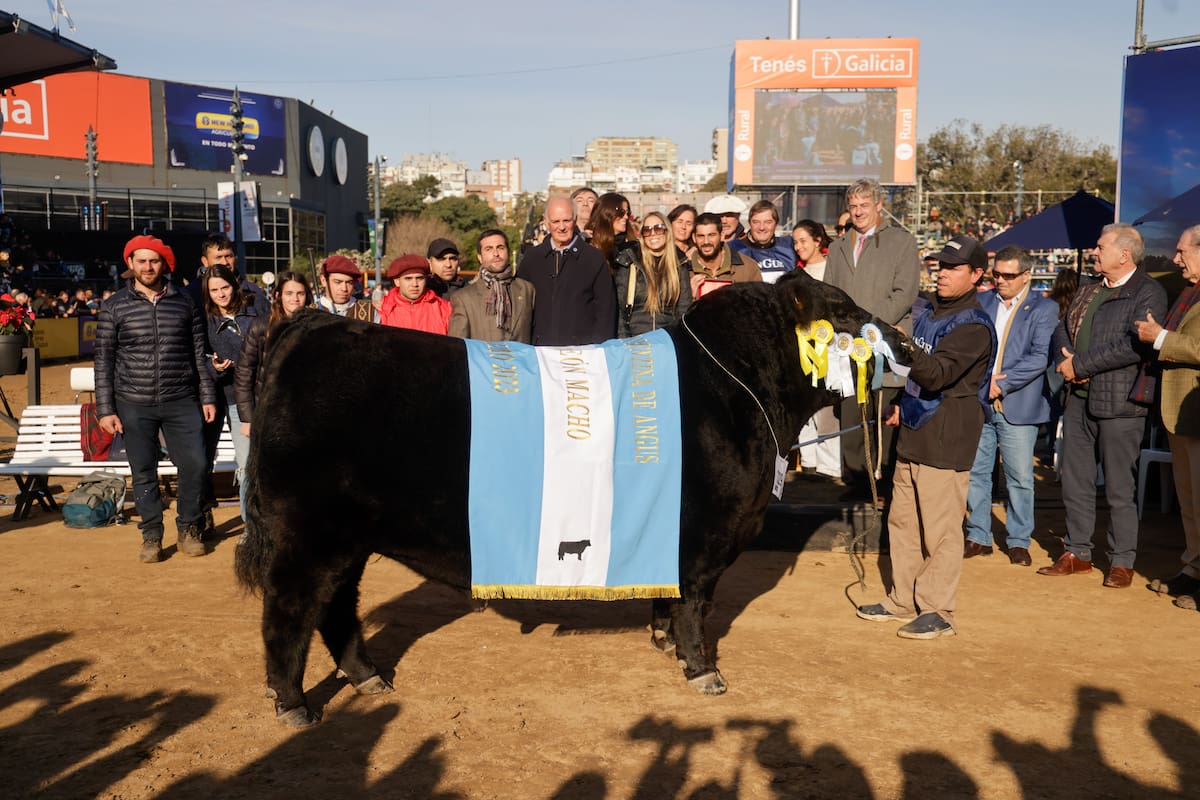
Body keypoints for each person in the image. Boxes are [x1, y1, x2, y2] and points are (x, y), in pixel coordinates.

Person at [855, 235, 996, 639]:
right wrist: (902, 403)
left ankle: (938, 610)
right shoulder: (931, 313)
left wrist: (897, 342)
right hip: (916, 427)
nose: (942, 274)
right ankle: (903, 598)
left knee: (941, 529)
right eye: (940, 266)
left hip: (948, 433)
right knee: (903, 522)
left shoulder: (973, 325)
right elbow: (919, 376)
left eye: (953, 268)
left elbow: (935, 373)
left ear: (976, 275)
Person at [1040, 224, 1167, 588]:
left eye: (1100, 247)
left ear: (1124, 254)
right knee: (1075, 484)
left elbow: (1135, 346)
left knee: (1118, 488)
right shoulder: (1087, 288)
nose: (1094, 252)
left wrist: (1079, 365)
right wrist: (1067, 359)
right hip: (1078, 402)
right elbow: (1062, 327)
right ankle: (1078, 553)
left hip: (1120, 404)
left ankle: (1121, 560)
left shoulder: (1148, 292)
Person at [94, 235, 217, 563]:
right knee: (143, 470)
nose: (148, 267)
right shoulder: (114, 306)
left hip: (182, 398)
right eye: (142, 260)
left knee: (196, 465)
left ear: (164, 264)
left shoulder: (184, 302)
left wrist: (207, 396)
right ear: (130, 264)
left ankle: (190, 526)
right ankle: (151, 535)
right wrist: (105, 409)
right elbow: (103, 360)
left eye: (154, 261)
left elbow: (198, 353)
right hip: (133, 401)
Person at [824, 178, 921, 498]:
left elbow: (904, 293)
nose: (858, 211)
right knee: (851, 412)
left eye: (864, 205)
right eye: (853, 206)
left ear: (879, 206)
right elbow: (830, 293)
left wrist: (871, 326)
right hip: (846, 347)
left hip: (885, 343)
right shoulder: (838, 246)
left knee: (884, 412)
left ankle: (886, 479)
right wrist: (845, 329)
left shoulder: (902, 242)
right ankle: (855, 478)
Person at [963, 246, 1059, 566]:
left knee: (1019, 476)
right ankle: (978, 534)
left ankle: (1018, 539)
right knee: (977, 471)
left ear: (1026, 276)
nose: (1000, 280)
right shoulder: (983, 300)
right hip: (981, 401)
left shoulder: (1044, 309)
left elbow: (1039, 357)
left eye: (1008, 275)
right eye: (997, 274)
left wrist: (1000, 383)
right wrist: (982, 382)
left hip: (1018, 403)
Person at [1136, 224, 1200, 606]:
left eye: (1182, 252)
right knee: (1189, 502)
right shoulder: (1190, 294)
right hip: (1179, 412)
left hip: (1195, 412)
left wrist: (1160, 338)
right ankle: (1192, 569)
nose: (1175, 259)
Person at [518, 195, 616, 346]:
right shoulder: (532, 258)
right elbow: (520, 305)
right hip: (539, 352)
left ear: (575, 220)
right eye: (556, 221)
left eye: (566, 220)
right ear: (546, 223)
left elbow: (606, 312)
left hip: (582, 354)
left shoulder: (594, 259)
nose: (562, 227)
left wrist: (597, 350)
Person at [201, 264, 258, 519]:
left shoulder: (255, 310)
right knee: (244, 465)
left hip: (259, 396)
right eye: (214, 290)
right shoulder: (206, 321)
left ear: (234, 285)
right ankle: (249, 525)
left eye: (224, 287)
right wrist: (214, 366)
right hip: (228, 398)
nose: (221, 294)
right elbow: (200, 362)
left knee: (258, 464)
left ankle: (261, 522)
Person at [234, 271, 313, 441]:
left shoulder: (314, 327)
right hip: (268, 409)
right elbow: (244, 372)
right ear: (278, 295)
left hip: (303, 411)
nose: (295, 299)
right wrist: (247, 418)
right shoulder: (261, 326)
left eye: (300, 293)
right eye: (289, 293)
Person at [792, 220, 840, 479]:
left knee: (827, 410)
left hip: (830, 350)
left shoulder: (832, 270)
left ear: (818, 241)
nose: (799, 247)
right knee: (804, 407)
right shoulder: (796, 275)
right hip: (802, 348)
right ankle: (808, 461)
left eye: (803, 241)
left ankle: (829, 465)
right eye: (795, 242)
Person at [613, 211, 693, 338]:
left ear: (667, 231)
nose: (653, 234)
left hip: (667, 341)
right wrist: (625, 342)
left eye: (658, 228)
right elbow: (620, 310)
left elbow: (684, 309)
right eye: (647, 230)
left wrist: (678, 341)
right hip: (634, 340)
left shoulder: (679, 264)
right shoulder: (630, 262)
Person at [449, 229, 535, 343]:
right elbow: (457, 347)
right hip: (483, 360)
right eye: (488, 249)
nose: (496, 254)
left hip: (522, 360)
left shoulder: (527, 290)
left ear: (508, 252)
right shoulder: (463, 298)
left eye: (500, 247)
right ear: (479, 257)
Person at [185, 232, 267, 311]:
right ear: (205, 261)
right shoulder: (192, 293)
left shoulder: (252, 290)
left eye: (228, 256)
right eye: (218, 257)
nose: (225, 262)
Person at [689, 212, 762, 297]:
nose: (706, 241)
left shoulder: (748, 267)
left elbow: (760, 305)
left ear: (722, 236)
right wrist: (689, 297)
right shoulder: (683, 272)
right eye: (701, 236)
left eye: (711, 235)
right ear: (694, 238)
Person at [379, 255, 452, 334]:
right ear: (397, 281)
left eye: (419, 278)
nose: (414, 284)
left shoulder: (444, 308)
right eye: (408, 278)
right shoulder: (381, 309)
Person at [729, 200, 795, 283]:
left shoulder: (789, 246)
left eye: (768, 222)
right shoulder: (733, 249)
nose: (762, 227)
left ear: (776, 224)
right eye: (756, 222)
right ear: (750, 223)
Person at [316, 254, 374, 321]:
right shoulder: (308, 312)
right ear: (323, 281)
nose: (344, 288)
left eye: (349, 282)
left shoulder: (370, 312)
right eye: (338, 282)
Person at [588, 193, 635, 270]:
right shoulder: (588, 245)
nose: (626, 217)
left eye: (628, 213)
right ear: (606, 214)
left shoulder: (631, 246)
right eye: (621, 213)